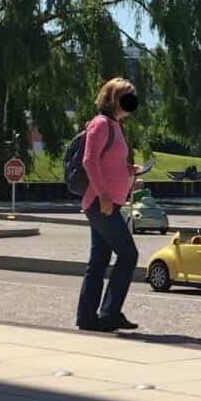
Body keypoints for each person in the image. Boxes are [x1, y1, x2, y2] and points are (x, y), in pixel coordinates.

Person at [76, 77, 142, 332]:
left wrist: (127, 169)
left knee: (100, 259)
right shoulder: (101, 124)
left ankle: (88, 317)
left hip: (107, 201)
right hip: (101, 202)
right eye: (127, 95)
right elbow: (89, 161)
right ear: (113, 99)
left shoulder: (114, 125)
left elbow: (105, 162)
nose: (131, 100)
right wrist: (103, 194)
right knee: (128, 254)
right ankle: (109, 313)